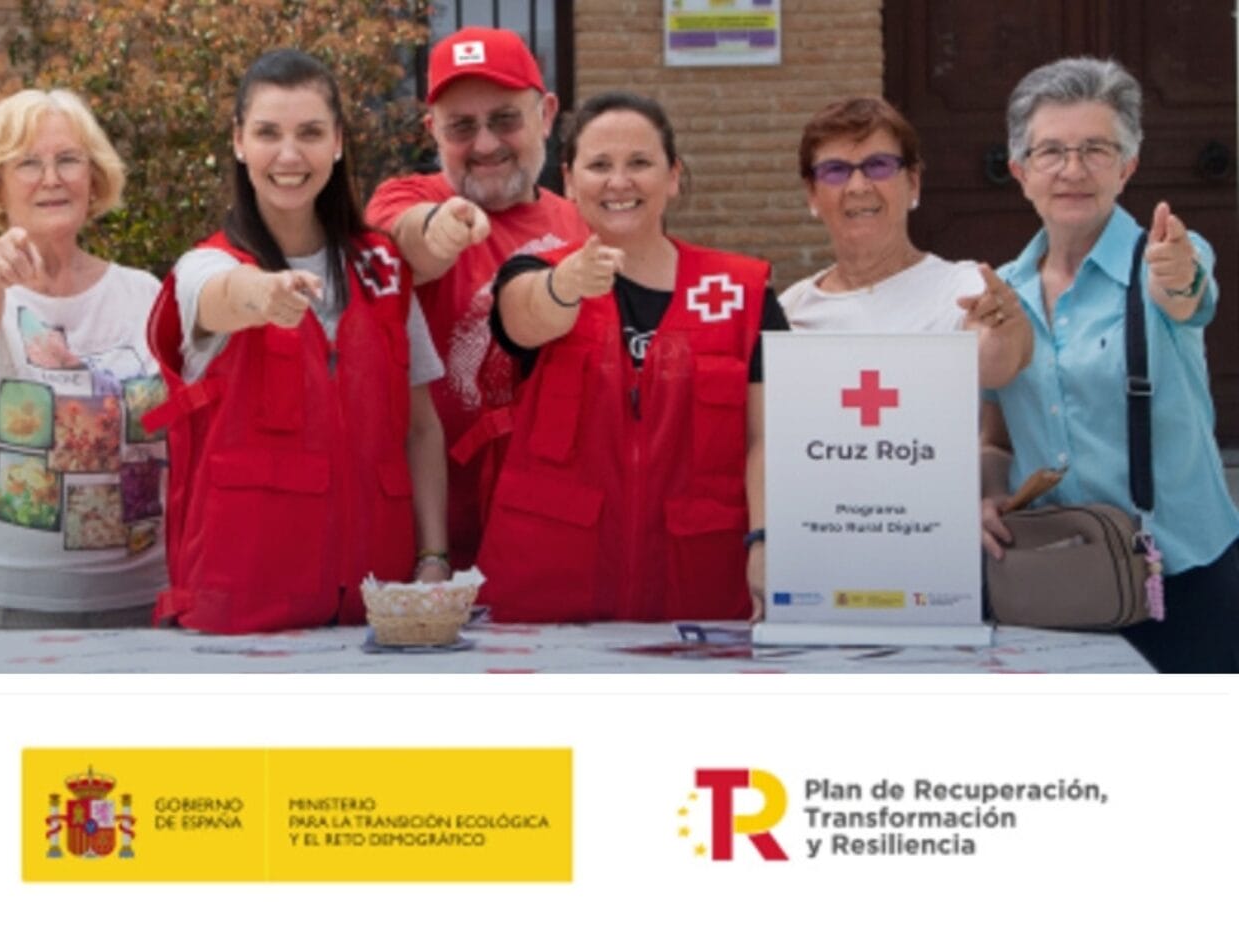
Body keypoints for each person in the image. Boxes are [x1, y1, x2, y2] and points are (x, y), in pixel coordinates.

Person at [145, 49, 449, 633]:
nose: (289, 155)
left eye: (310, 133)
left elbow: (421, 427)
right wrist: (263, 293)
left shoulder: (383, 265)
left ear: (337, 142)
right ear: (238, 142)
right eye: (267, 133)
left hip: (375, 608)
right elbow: (222, 296)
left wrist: (433, 558)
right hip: (241, 616)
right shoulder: (202, 267)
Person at [474, 92, 790, 623]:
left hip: (701, 591)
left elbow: (769, 439)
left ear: (673, 176)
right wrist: (564, 285)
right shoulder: (535, 274)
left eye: (640, 163)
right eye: (600, 166)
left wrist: (766, 540)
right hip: (549, 597)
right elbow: (524, 318)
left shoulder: (744, 292)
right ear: (570, 182)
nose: (619, 182)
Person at [979, 58, 1238, 673]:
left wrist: (1184, 278)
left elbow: (1189, 292)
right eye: (1052, 152)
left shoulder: (1166, 256)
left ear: (1128, 167)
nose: (1073, 170)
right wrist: (988, 493)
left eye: (1097, 148)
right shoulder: (1002, 294)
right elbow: (995, 435)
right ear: (1021, 172)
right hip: (1059, 580)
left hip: (1181, 576)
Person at [0, 89, 166, 629]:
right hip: (5, 600)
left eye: (68, 160)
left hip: (141, 596)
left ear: (95, 177)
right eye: (28, 163)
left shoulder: (145, 294)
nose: (51, 178)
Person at [365, 27, 589, 568]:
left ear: (546, 113)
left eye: (505, 119)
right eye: (462, 127)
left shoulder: (585, 224)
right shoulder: (405, 196)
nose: (486, 144)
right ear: (432, 132)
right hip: (439, 545)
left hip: (564, 534)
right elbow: (403, 242)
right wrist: (439, 231)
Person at [781, 97, 1032, 388]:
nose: (859, 187)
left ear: (913, 183)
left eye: (878, 166)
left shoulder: (965, 291)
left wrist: (1004, 335)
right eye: (835, 170)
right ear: (812, 193)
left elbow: (994, 365)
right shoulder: (790, 310)